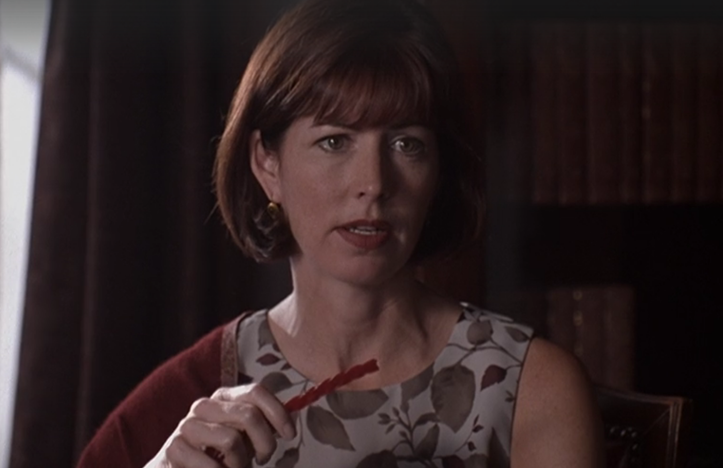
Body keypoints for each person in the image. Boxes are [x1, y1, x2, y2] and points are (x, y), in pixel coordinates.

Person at [77, 0, 605, 466]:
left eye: (407, 144)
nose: (373, 183)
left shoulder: (532, 386)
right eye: (335, 142)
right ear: (267, 164)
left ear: (439, 171)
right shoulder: (195, 387)